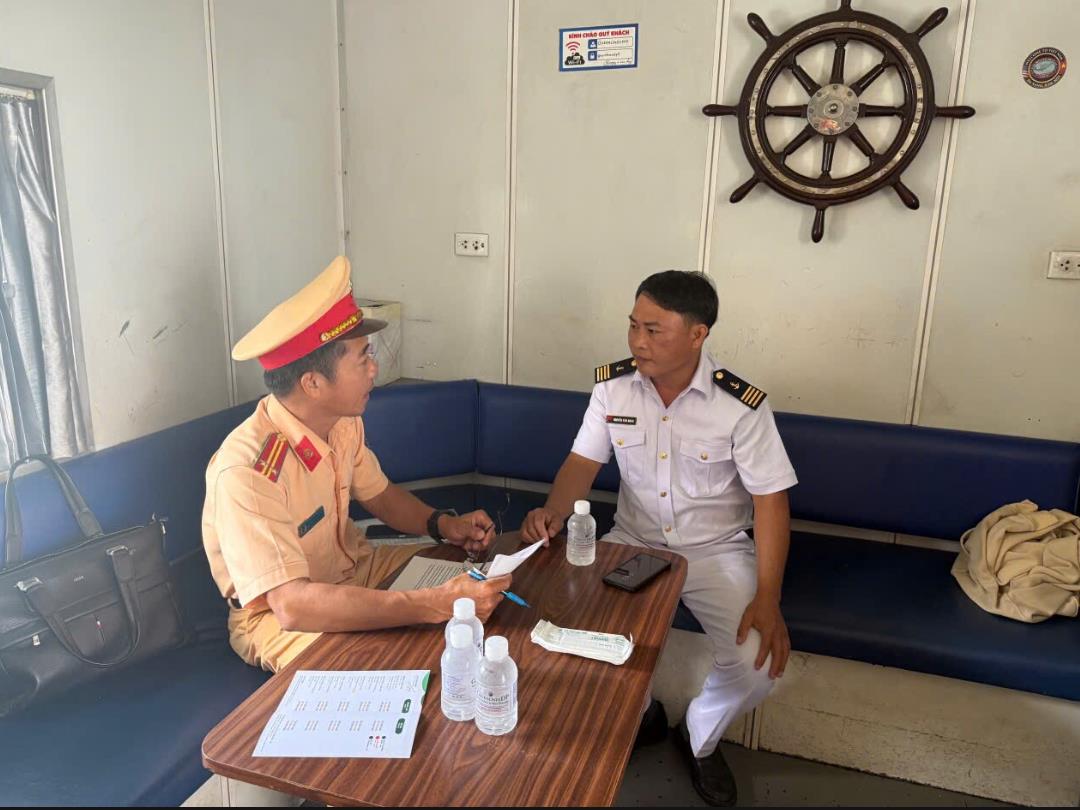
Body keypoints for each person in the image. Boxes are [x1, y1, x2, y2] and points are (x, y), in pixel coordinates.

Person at [521, 270, 797, 806]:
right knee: (579, 637)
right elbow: (581, 464)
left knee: (758, 666)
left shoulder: (739, 405)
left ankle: (698, 736)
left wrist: (768, 596)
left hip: (715, 550)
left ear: (697, 335)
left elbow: (771, 502)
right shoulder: (613, 387)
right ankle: (643, 713)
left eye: (654, 330)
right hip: (634, 542)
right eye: (633, 326)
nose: (638, 342)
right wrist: (552, 514)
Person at [202, 256, 509, 672]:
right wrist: (430, 604)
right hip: (282, 616)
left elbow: (381, 495)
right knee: (392, 663)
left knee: (479, 581)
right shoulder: (248, 471)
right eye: (363, 358)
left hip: (357, 569)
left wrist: (443, 525)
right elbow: (292, 604)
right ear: (313, 383)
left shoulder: (342, 422)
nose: (374, 368)